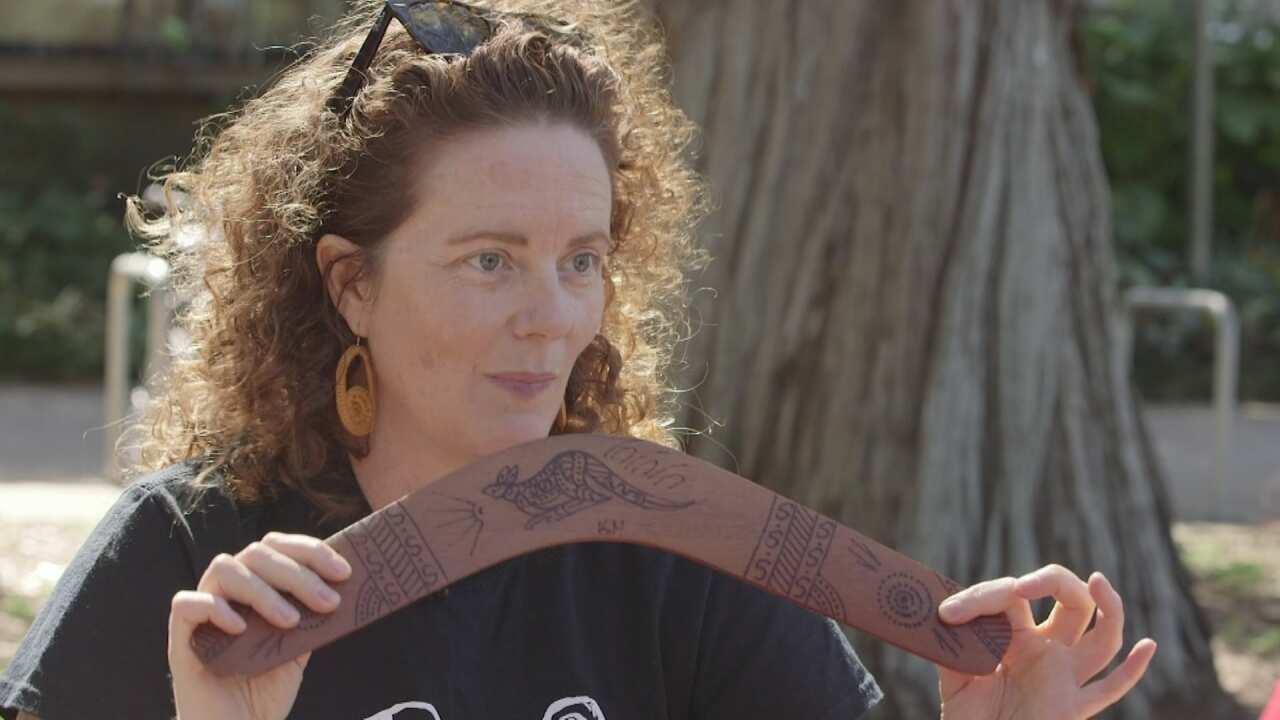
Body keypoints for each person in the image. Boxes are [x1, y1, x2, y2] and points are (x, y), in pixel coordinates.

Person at [0, 1, 1157, 718]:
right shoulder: (191, 558)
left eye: (582, 259)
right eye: (490, 262)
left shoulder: (675, 555)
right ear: (349, 282)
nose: (552, 318)